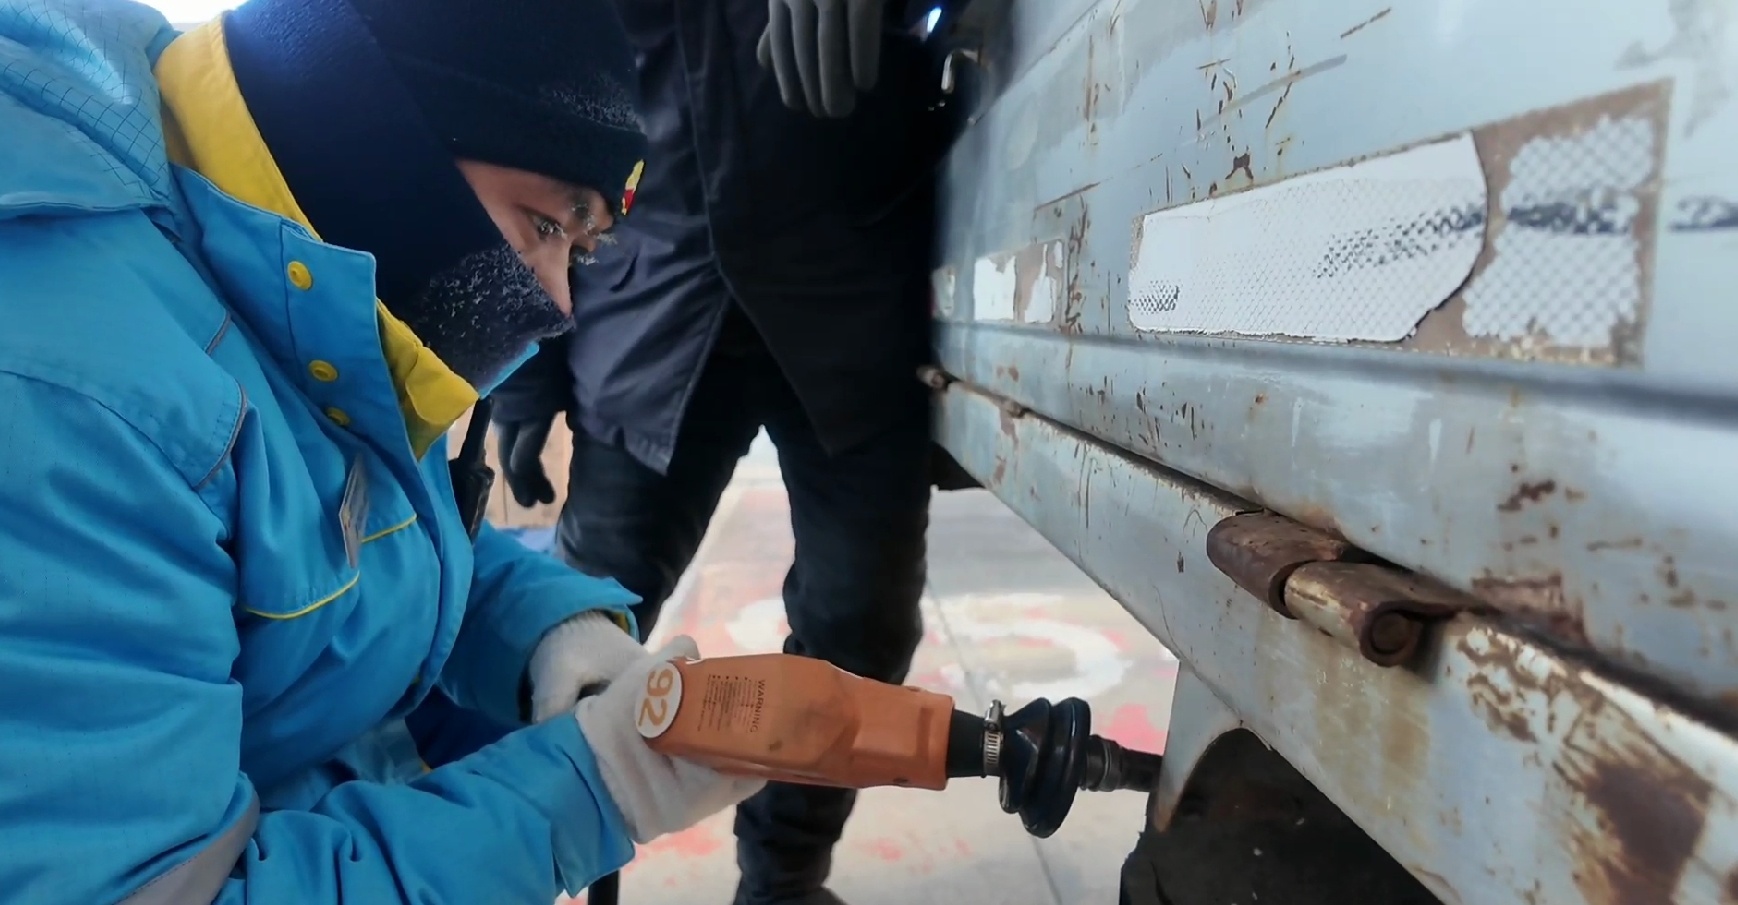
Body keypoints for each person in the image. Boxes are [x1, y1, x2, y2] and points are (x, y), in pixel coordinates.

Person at [0, 0, 765, 902]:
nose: (560, 303)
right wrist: (586, 791)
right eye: (547, 224)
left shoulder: (298, 259)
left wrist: (544, 629)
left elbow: (357, 534)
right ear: (379, 130)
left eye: (583, 250)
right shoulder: (86, 410)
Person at [487, 2, 966, 903]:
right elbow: (526, 88)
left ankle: (784, 879)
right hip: (649, 302)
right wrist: (526, 373)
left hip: (849, 280)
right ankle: (566, 870)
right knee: (574, 633)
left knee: (863, 622)